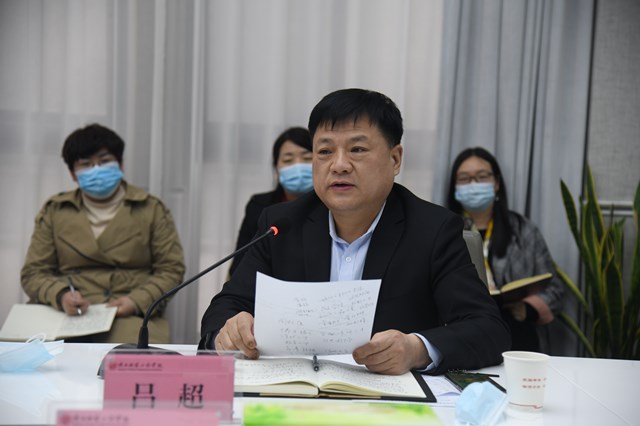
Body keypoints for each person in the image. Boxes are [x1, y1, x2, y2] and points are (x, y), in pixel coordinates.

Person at [200, 89, 510, 375]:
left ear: (395, 159)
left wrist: (415, 349)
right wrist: (229, 331)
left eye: (357, 149)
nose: (339, 165)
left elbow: (488, 329)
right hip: (294, 394)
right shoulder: (281, 225)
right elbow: (224, 308)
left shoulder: (433, 230)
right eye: (324, 151)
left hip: (389, 401)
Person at [21, 123, 185, 344]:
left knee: (132, 360)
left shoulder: (151, 208)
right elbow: (34, 272)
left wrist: (136, 301)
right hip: (65, 314)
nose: (96, 170)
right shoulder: (55, 211)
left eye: (105, 161)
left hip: (129, 315)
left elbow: (171, 269)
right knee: (34, 359)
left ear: (121, 164)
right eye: (86, 164)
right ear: (72, 174)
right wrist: (61, 295)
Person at [446, 147, 565, 352]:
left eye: (482, 177)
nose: (473, 184)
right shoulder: (444, 230)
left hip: (518, 339)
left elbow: (555, 288)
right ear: (454, 187)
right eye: (464, 179)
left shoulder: (524, 229)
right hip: (461, 338)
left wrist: (528, 308)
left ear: (497, 183)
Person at [228, 127, 313, 275]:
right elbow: (240, 264)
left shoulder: (332, 208)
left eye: (307, 159)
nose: (298, 166)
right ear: (276, 167)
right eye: (288, 160)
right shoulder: (259, 207)